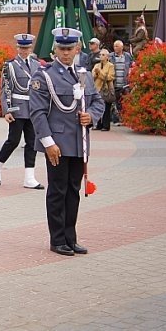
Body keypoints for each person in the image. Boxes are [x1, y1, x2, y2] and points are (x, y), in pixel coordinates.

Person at [29, 27, 104, 257]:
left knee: (73, 191)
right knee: (57, 191)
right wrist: (48, 143)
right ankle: (57, 239)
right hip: (58, 144)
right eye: (61, 48)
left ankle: (71, 238)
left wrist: (91, 116)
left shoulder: (84, 74)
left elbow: (98, 102)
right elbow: (38, 113)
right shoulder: (45, 76)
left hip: (79, 143)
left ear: (77, 49)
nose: (65, 53)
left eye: (69, 48)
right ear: (55, 49)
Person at [0, 33, 43, 189]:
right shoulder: (10, 65)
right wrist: (7, 110)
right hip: (17, 107)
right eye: (21, 47)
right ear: (17, 47)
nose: (24, 51)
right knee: (13, 140)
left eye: (26, 48)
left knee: (32, 142)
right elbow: (5, 89)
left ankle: (29, 177)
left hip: (32, 107)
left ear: (30, 48)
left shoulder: (36, 64)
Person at [110, 40, 133, 126]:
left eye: (117, 46)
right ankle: (116, 120)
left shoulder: (127, 56)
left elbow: (131, 67)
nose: (115, 48)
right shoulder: (110, 56)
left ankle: (125, 119)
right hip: (115, 83)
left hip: (125, 84)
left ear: (121, 47)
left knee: (125, 102)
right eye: (114, 46)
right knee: (115, 103)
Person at [92, 49, 115, 131]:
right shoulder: (96, 65)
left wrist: (100, 73)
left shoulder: (110, 66)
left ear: (107, 57)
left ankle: (105, 125)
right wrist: (96, 73)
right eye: (100, 55)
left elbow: (110, 77)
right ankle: (97, 124)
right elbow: (93, 77)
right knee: (97, 106)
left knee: (106, 107)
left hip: (106, 89)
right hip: (97, 88)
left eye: (103, 55)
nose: (101, 56)